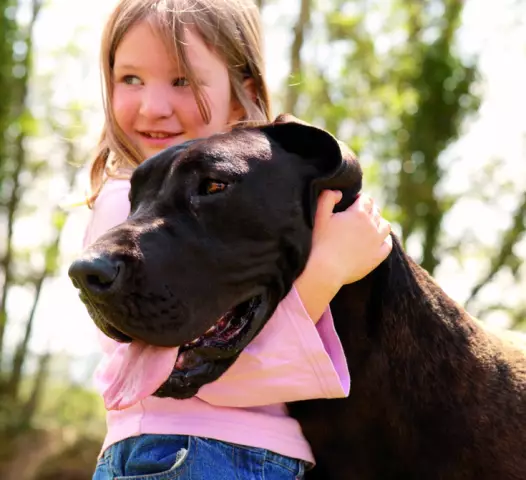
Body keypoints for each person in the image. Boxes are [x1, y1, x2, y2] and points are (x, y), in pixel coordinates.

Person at [82, 0, 392, 478]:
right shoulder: (126, 204)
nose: (153, 106)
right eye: (130, 79)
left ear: (240, 92)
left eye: (182, 80)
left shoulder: (253, 209)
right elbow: (186, 380)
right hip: (190, 453)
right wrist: (326, 271)